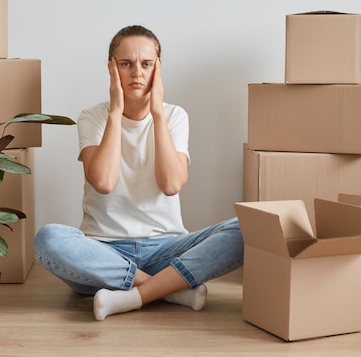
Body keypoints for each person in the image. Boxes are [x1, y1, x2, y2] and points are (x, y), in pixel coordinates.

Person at [34, 25, 244, 321]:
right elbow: (104, 182)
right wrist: (115, 113)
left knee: (247, 227)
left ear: (158, 68)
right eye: (126, 64)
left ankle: (133, 296)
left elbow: (171, 184)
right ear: (111, 68)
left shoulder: (174, 116)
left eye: (146, 64)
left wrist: (157, 113)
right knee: (49, 238)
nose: (137, 72)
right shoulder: (92, 117)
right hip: (103, 253)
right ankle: (167, 289)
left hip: (166, 250)